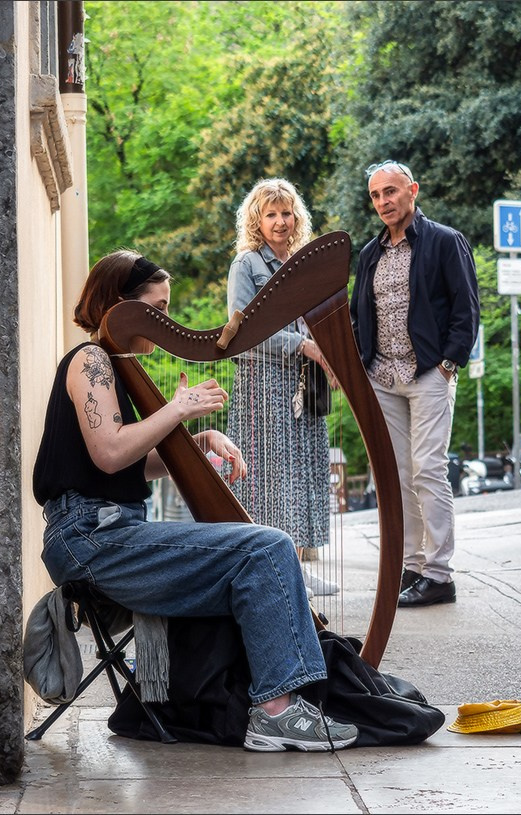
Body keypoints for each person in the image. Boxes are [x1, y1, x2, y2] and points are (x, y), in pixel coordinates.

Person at [32, 248, 358, 752]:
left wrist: (199, 443)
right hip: (90, 537)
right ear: (120, 307)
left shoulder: (116, 369)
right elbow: (111, 453)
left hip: (111, 530)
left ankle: (254, 703)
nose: (163, 323)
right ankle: (276, 710)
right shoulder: (90, 361)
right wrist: (179, 409)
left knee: (258, 557)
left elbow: (133, 463)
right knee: (266, 548)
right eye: (156, 311)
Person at [350, 160, 480, 607]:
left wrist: (448, 364)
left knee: (428, 469)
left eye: (391, 191)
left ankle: (440, 575)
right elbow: (356, 316)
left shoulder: (445, 241)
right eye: (376, 195)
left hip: (428, 373)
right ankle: (411, 567)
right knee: (398, 475)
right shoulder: (369, 254)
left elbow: (467, 309)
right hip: (382, 378)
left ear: (412, 191)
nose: (384, 201)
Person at [225, 178, 339, 597]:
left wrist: (327, 354)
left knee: (300, 470)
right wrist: (303, 346)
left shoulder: (301, 263)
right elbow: (244, 331)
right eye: (270, 214)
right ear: (256, 219)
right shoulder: (247, 264)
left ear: (296, 217)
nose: (280, 221)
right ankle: (272, 567)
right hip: (262, 379)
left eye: (286, 213)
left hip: (300, 381)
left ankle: (297, 567)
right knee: (268, 475)